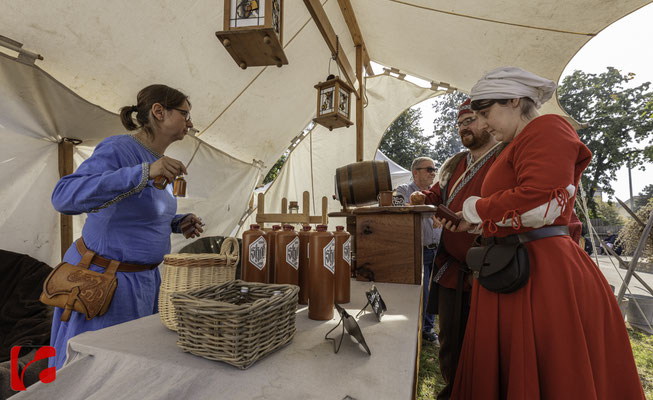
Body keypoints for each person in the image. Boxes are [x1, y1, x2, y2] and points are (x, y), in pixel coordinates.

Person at [442, 67, 644, 399]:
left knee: (553, 373)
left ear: (514, 100)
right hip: (513, 268)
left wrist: (474, 208)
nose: (481, 125)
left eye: (485, 113)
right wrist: (475, 223)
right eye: (475, 117)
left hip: (543, 275)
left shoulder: (548, 128)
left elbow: (543, 205)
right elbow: (519, 209)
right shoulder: (513, 144)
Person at [49, 84, 204, 369]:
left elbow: (133, 213)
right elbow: (64, 197)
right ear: (159, 111)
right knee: (94, 374)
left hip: (143, 285)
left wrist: (176, 223)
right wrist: (143, 172)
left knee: (129, 373)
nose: (190, 123)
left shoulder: (158, 162)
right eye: (185, 114)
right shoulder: (120, 149)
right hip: (105, 283)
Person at [413, 98, 501, 400]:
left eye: (472, 120)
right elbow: (435, 194)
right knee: (451, 339)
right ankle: (453, 391)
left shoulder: (504, 156)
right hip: (453, 269)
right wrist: (421, 196)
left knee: (489, 343)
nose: (465, 127)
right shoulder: (453, 165)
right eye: (460, 124)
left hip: (492, 269)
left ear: (487, 121)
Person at [396, 157, 443, 344]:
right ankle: (415, 330)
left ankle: (428, 330)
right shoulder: (403, 190)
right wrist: (432, 211)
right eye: (429, 169)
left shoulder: (437, 193)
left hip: (437, 250)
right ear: (415, 172)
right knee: (420, 294)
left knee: (433, 294)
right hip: (419, 251)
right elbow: (401, 208)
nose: (433, 172)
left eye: (434, 169)